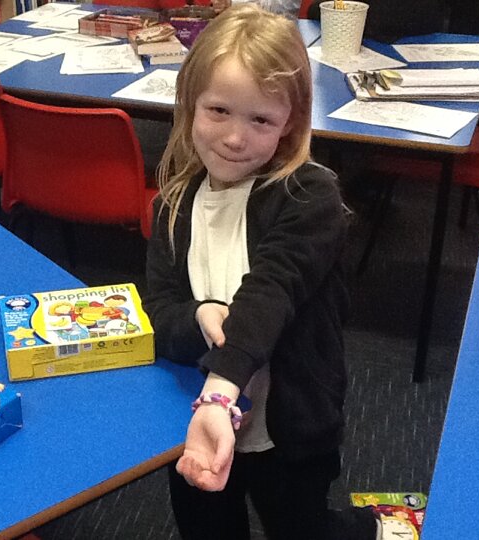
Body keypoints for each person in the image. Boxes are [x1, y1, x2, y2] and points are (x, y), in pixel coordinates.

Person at [143, 5, 380, 540]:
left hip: (288, 428)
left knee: (303, 528)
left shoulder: (309, 195)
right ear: (190, 103)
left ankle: (365, 528)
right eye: (218, 110)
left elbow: (268, 294)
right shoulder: (173, 207)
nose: (234, 138)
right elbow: (158, 311)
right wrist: (197, 316)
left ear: (290, 122)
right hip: (195, 424)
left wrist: (219, 395)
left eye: (261, 121)